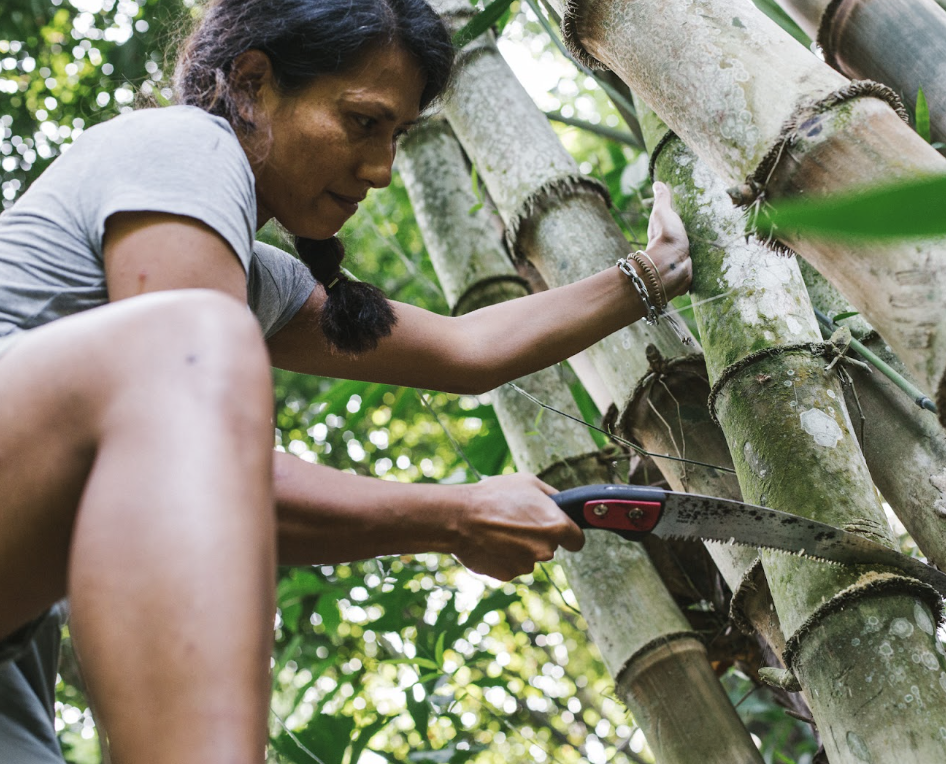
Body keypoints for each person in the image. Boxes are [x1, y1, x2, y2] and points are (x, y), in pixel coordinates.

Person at [0, 0, 691, 761]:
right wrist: (455, 515)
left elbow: (466, 350)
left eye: (396, 136)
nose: (383, 171)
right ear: (255, 83)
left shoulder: (255, 276)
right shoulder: (186, 148)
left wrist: (651, 274)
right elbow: (198, 463)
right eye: (364, 122)